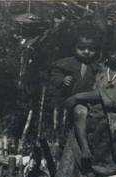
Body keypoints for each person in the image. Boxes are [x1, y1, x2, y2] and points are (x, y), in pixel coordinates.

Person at [53, 21, 116, 177]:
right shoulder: (101, 68)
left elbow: (112, 95)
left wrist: (78, 97)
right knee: (75, 174)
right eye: (113, 51)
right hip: (87, 132)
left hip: (115, 135)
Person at [50, 23, 102, 169]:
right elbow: (54, 76)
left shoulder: (96, 66)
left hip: (90, 101)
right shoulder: (66, 63)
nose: (86, 52)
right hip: (73, 100)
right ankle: (85, 148)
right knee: (80, 112)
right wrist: (62, 80)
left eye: (91, 49)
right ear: (74, 48)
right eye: (82, 48)